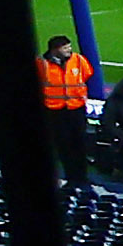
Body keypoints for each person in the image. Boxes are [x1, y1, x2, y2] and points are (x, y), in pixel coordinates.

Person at [38, 32, 97, 187]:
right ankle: (72, 178)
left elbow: (87, 73)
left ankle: (82, 177)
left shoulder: (77, 60)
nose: (69, 50)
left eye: (69, 47)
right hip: (55, 110)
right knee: (64, 146)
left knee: (80, 144)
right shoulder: (42, 64)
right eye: (65, 47)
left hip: (76, 108)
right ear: (55, 49)